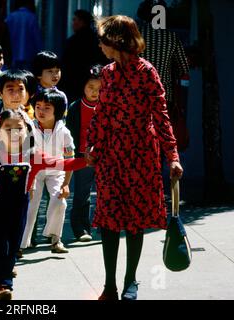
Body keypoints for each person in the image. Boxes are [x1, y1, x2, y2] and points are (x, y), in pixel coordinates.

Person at [86, 15, 183, 300]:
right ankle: (109, 286)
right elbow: (101, 113)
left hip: (141, 153)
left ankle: (130, 281)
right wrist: (93, 145)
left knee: (135, 220)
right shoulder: (107, 72)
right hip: (111, 154)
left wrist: (173, 156)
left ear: (115, 41)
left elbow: (161, 117)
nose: (100, 45)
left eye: (103, 40)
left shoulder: (147, 72)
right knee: (108, 219)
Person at [0, 109, 88, 300]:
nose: (13, 132)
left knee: (13, 247)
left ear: (27, 130)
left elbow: (63, 163)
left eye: (18, 128)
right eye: (7, 128)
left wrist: (86, 161)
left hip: (19, 206)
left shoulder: (33, 155)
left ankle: (5, 288)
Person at [21, 88, 75, 254]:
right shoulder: (28, 128)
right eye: (38, 107)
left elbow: (69, 160)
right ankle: (21, 245)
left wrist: (66, 184)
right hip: (33, 173)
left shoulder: (64, 132)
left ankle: (55, 239)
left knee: (60, 202)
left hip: (56, 171)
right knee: (30, 207)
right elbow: (23, 155)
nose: (41, 111)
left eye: (47, 108)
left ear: (57, 111)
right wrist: (27, 182)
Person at [137, 0, 190, 151]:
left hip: (137, 94)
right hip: (164, 95)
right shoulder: (171, 37)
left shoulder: (136, 36)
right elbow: (183, 68)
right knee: (159, 139)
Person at [66, 64, 103, 242]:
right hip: (83, 156)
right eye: (91, 87)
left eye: (99, 88)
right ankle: (80, 228)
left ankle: (104, 226)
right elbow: (71, 133)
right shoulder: (75, 107)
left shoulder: (108, 107)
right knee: (82, 193)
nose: (95, 92)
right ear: (83, 86)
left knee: (105, 193)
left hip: (105, 157)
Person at [61, 10, 107, 102]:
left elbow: (66, 65)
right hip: (94, 84)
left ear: (82, 22)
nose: (73, 23)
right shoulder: (97, 40)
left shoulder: (73, 41)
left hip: (74, 85)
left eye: (75, 20)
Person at [5, 0, 43, 69]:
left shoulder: (10, 17)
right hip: (28, 58)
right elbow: (37, 41)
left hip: (13, 58)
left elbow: (5, 38)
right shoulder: (32, 17)